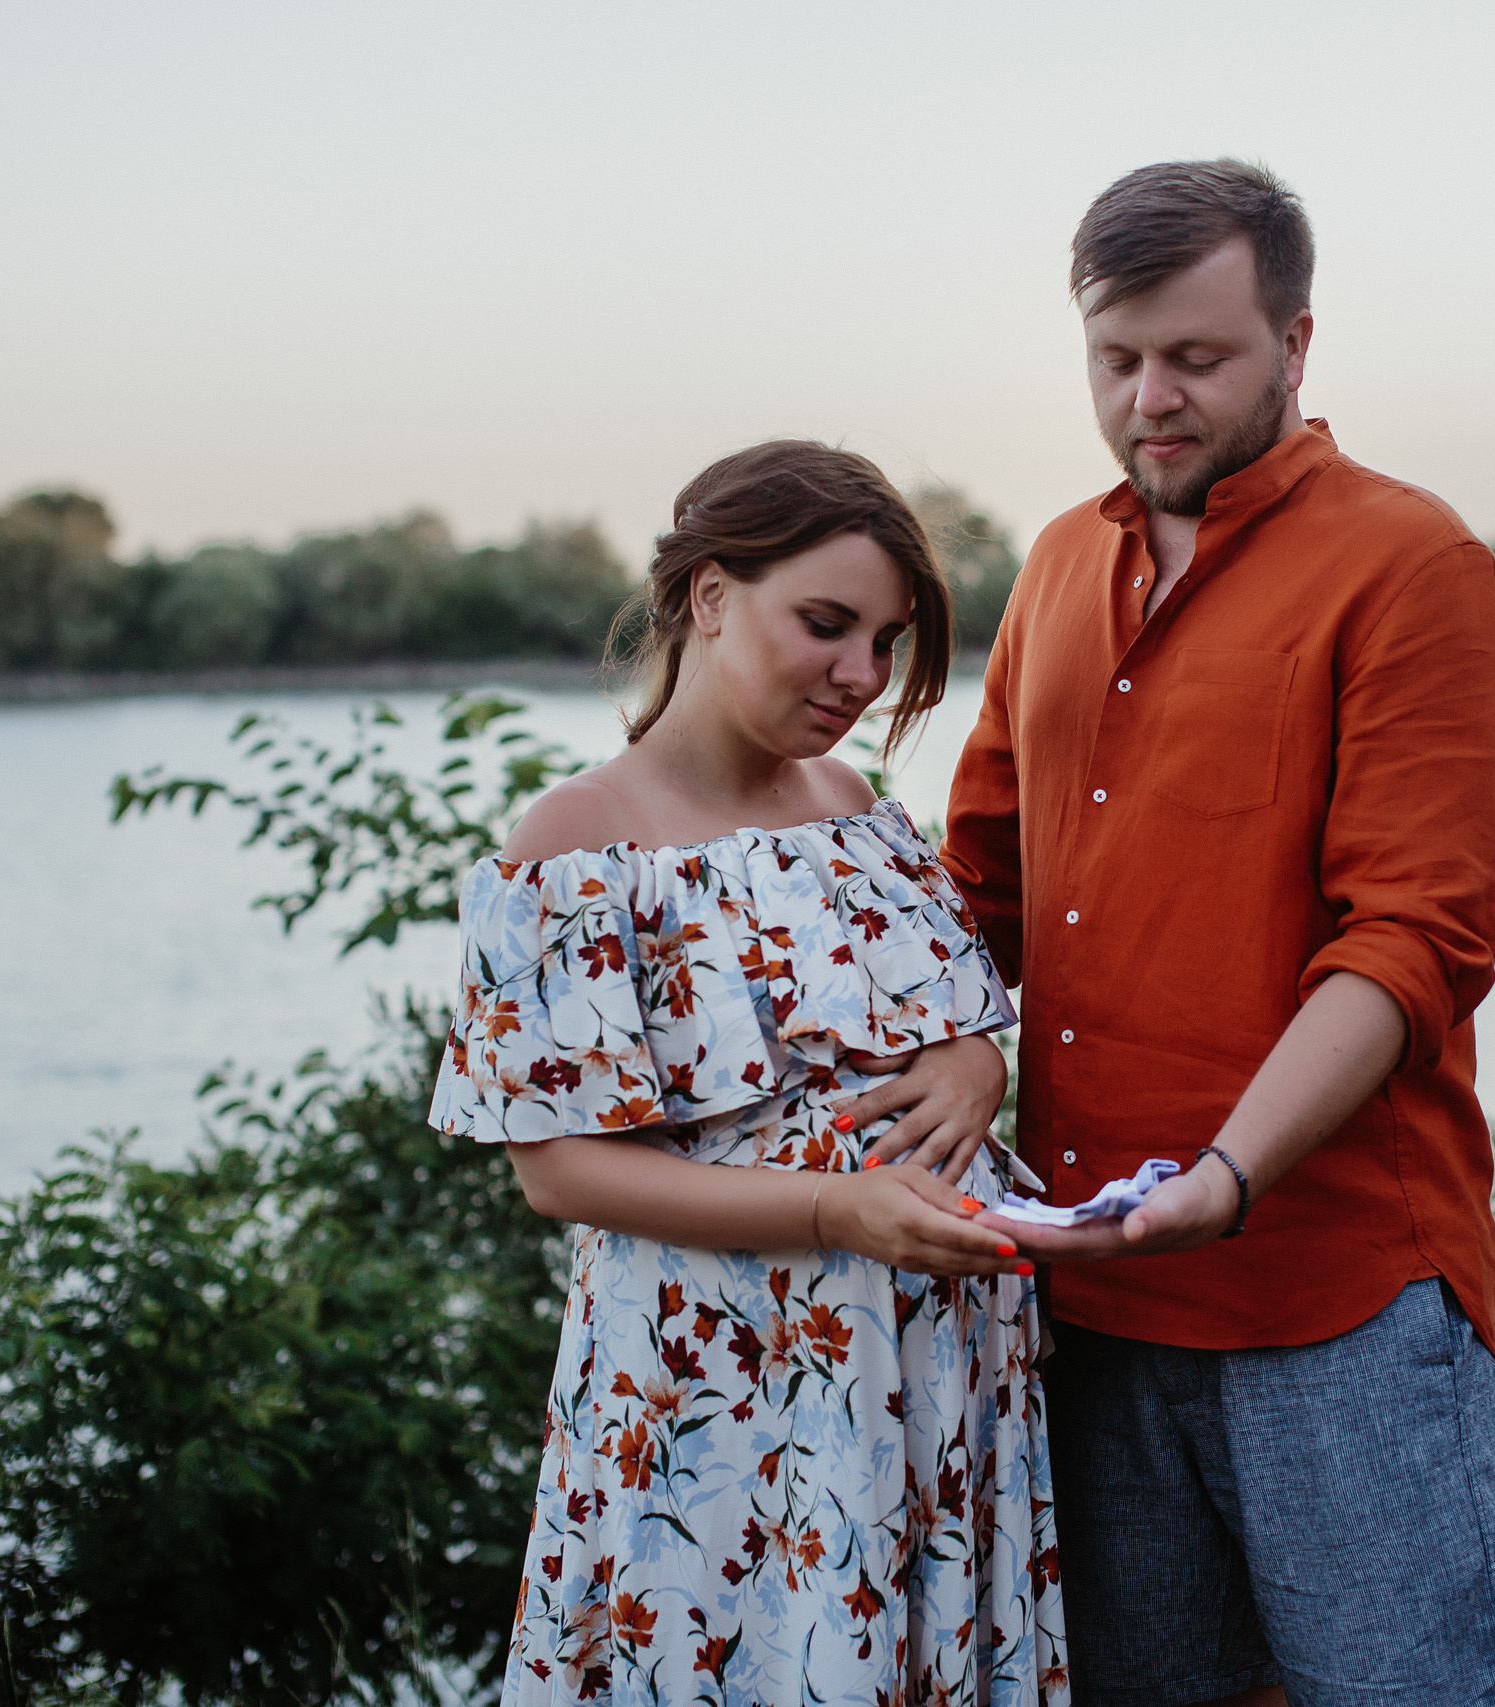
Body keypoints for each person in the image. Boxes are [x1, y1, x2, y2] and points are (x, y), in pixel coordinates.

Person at [858, 160, 1495, 1706]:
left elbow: (1413, 944)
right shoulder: (1052, 565)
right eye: (1118, 359)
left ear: (1297, 344)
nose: (1150, 398)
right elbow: (975, 894)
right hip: (1087, 1291)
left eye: (1197, 357)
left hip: (1343, 1296)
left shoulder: (1414, 570)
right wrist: (966, 1051)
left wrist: (1232, 1173)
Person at [429, 440, 1069, 1707]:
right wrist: (837, 1210)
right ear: (712, 597)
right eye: (826, 625)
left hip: (924, 1390)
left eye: (885, 642)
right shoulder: (578, 836)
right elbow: (556, 1171)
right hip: (722, 1396)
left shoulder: (848, 796)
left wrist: (972, 1066)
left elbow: (935, 1019)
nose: (861, 676)